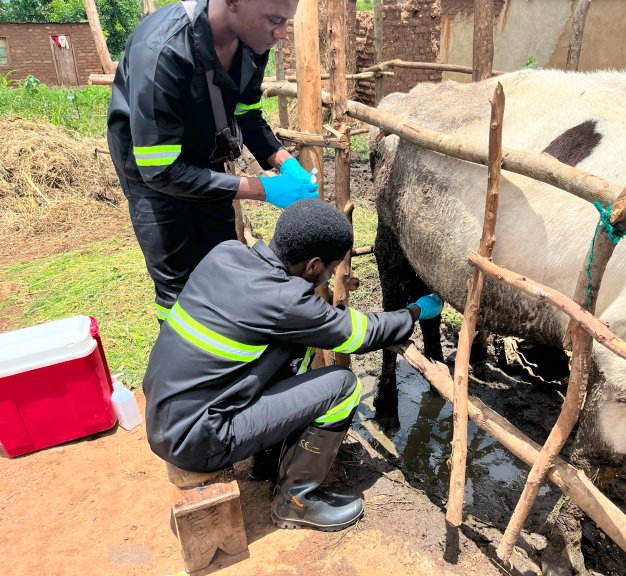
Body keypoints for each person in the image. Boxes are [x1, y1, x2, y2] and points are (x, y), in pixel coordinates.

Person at [142, 199, 443, 531]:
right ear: (313, 266)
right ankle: (295, 502)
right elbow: (361, 334)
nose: (330, 275)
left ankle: (265, 460)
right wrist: (414, 312)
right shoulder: (285, 301)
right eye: (331, 268)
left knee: (290, 350)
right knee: (343, 386)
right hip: (197, 439)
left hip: (167, 416)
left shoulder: (227, 254)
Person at [107, 0, 317, 322]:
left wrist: (284, 161)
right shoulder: (162, 50)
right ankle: (181, 362)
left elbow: (246, 115)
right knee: (178, 286)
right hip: (152, 176)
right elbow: (162, 171)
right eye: (276, 20)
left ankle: (225, 357)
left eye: (287, 21)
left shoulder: (252, 43)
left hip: (205, 163)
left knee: (219, 263)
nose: (282, 34)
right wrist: (264, 188)